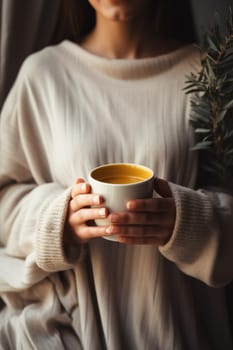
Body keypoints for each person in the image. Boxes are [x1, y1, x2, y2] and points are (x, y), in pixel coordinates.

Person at [0, 0, 233, 349]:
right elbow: (3, 200)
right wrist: (59, 218)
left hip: (176, 329)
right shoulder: (43, 76)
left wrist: (186, 221)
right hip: (65, 329)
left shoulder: (208, 75)